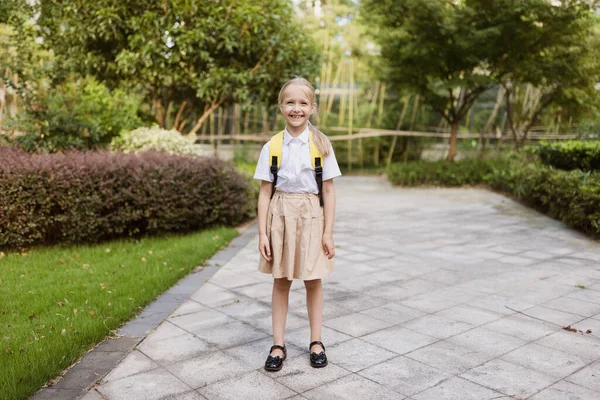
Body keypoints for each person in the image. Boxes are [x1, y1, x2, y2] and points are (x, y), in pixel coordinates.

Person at [253, 77, 342, 371]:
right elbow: (265, 191)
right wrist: (262, 233)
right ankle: (278, 345)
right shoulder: (272, 146)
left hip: (311, 215)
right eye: (290, 102)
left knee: (313, 279)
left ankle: (316, 341)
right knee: (281, 280)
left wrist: (328, 232)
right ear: (281, 107)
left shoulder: (321, 144)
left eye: (303, 103)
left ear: (312, 108)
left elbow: (328, 190)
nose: (296, 108)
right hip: (280, 215)